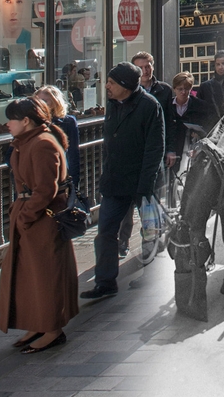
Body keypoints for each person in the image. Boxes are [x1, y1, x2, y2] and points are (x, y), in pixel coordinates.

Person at [0, 97, 78, 352]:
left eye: (11, 119)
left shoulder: (42, 144)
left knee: (46, 277)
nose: (7, 124)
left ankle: (53, 330)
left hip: (42, 219)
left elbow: (45, 189)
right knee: (30, 278)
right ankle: (38, 324)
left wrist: (26, 216)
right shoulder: (27, 142)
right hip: (33, 217)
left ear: (25, 121)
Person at [81, 62, 164, 300]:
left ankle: (151, 276)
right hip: (115, 181)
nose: (106, 86)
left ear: (126, 86)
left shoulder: (150, 106)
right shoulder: (112, 104)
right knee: (105, 231)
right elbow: (110, 144)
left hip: (142, 183)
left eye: (111, 83)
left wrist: (146, 185)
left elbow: (154, 148)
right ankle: (105, 282)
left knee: (150, 231)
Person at [117, 51, 176, 259]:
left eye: (147, 66)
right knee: (126, 205)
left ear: (152, 66)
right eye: (140, 67)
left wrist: (170, 149)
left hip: (153, 155)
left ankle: (149, 240)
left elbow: (170, 123)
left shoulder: (164, 91)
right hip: (129, 157)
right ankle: (122, 241)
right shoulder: (126, 92)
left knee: (150, 202)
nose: (145, 70)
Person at [33, 85, 81, 187]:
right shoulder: (29, 122)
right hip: (35, 178)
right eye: (37, 102)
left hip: (60, 177)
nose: (41, 105)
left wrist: (74, 182)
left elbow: (73, 153)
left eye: (45, 101)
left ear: (56, 102)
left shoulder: (68, 122)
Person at [171, 72, 210, 161]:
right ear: (174, 89)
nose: (183, 92)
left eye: (186, 89)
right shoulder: (168, 106)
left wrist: (199, 134)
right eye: (180, 89)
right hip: (173, 149)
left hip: (193, 150)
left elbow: (208, 127)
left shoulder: (200, 106)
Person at [197, 50, 224, 131]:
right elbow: (198, 110)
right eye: (217, 64)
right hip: (208, 130)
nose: (220, 67)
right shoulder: (205, 86)